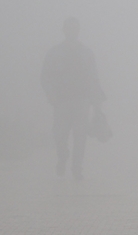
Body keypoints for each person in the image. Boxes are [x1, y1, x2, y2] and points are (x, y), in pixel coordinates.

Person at [41, 17, 105, 179]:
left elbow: (93, 78)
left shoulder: (86, 53)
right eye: (69, 28)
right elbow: (46, 76)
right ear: (64, 30)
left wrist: (96, 104)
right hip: (61, 101)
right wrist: (51, 95)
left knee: (80, 135)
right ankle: (63, 157)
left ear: (78, 31)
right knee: (59, 135)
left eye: (75, 29)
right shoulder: (54, 52)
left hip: (82, 101)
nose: (72, 32)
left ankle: (77, 167)